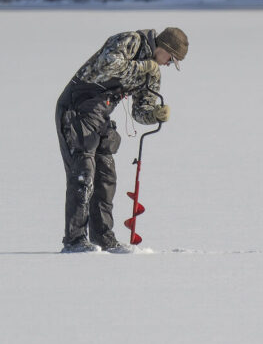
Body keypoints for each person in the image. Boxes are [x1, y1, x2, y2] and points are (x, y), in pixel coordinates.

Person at [55, 27, 188, 253]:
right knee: (83, 173)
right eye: (170, 58)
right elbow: (107, 64)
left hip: (100, 114)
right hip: (76, 107)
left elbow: (140, 110)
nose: (167, 64)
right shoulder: (130, 41)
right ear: (163, 47)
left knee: (106, 176)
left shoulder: (153, 73)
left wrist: (154, 114)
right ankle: (75, 239)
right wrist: (144, 65)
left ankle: (103, 238)